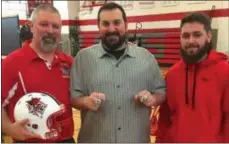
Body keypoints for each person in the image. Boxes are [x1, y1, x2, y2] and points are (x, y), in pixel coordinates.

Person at [70, 2, 166, 143]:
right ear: (98, 26)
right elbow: (73, 98)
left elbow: (161, 92)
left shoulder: (146, 57)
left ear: (126, 25)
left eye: (117, 22)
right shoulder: (83, 58)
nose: (111, 29)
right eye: (105, 24)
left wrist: (153, 99)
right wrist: (86, 101)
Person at [1, 4, 75, 143]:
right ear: (31, 26)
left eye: (56, 26)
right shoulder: (12, 63)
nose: (50, 31)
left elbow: (78, 97)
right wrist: (9, 129)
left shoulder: (69, 62)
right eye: (44, 24)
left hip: (66, 140)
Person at [155, 12, 229, 143]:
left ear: (208, 36)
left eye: (197, 35)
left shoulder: (225, 72)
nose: (191, 41)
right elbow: (164, 119)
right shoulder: (172, 74)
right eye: (185, 36)